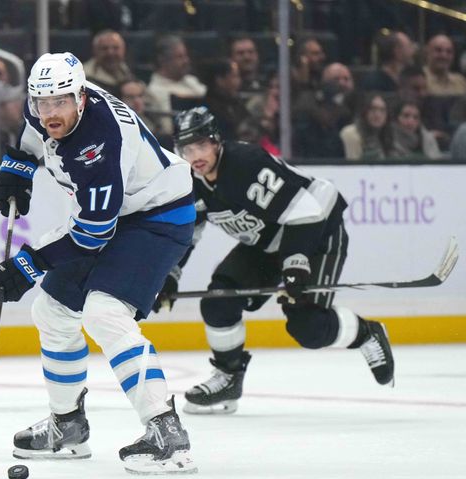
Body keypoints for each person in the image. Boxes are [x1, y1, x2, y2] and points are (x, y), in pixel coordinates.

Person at [0, 52, 197, 475]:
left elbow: (92, 233)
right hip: (120, 213)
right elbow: (30, 131)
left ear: (81, 98)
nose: (49, 113)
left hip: (158, 216)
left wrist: (28, 265)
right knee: (52, 309)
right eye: (42, 103)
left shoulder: (100, 144)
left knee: (104, 311)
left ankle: (167, 432)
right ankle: (68, 425)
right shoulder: (44, 101)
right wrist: (18, 166)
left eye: (59, 103)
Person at [152, 107, 395, 415]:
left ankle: (366, 333)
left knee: (308, 327)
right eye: (187, 149)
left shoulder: (246, 164)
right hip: (267, 240)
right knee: (218, 301)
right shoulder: (189, 181)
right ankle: (229, 377)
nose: (195, 155)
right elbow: (187, 233)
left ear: (216, 142)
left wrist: (295, 265)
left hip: (318, 225)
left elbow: (305, 211)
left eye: (201, 145)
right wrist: (168, 276)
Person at [146, 35, 206, 135]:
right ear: (163, 60)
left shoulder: (192, 80)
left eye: (186, 56)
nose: (186, 61)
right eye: (180, 57)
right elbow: (168, 129)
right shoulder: (155, 91)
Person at [340, 92, 394, 160]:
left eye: (382, 110)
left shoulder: (387, 136)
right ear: (364, 111)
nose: (377, 115)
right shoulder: (351, 133)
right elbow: (354, 166)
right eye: (372, 109)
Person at [83, 30, 133, 95]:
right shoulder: (83, 78)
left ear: (123, 50)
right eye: (104, 48)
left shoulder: (129, 73)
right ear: (95, 51)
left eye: (115, 48)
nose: (110, 53)